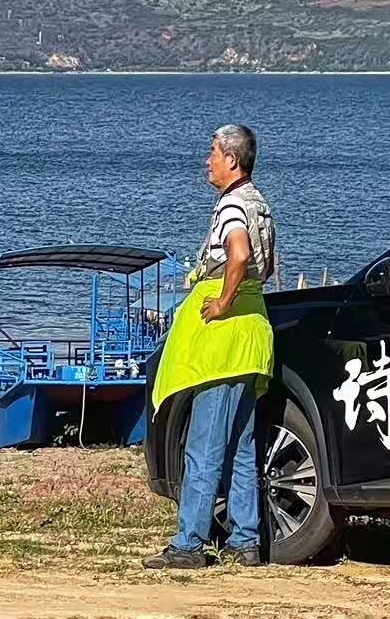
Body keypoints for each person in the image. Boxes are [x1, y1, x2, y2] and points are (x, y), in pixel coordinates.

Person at [143, 123, 278, 569]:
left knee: (203, 447)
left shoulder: (232, 207)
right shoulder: (260, 204)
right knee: (241, 445)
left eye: (213, 153)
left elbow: (238, 254)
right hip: (253, 337)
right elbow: (267, 266)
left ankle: (188, 543)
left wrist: (221, 301)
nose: (207, 161)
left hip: (224, 342)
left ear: (231, 160)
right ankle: (245, 540)